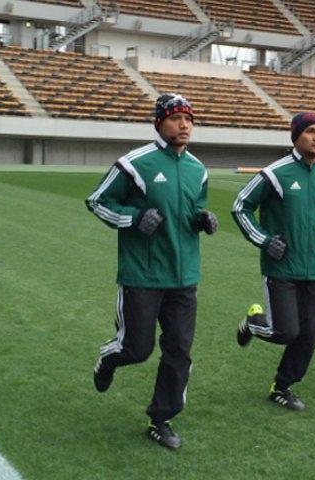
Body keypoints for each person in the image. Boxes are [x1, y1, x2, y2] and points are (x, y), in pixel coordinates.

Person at [85, 94, 218, 449]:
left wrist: (202, 219)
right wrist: (133, 218)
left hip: (184, 276)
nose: (185, 125)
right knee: (136, 348)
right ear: (159, 122)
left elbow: (193, 208)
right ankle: (109, 358)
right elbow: (98, 201)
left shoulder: (197, 169)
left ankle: (162, 418)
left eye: (189, 119)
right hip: (142, 275)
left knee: (180, 351)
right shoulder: (134, 163)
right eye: (176, 118)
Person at [231, 112, 315, 411]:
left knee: (309, 334)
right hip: (280, 268)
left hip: (312, 269)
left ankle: (282, 386)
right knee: (285, 331)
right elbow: (240, 207)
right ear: (296, 136)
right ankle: (253, 323)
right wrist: (265, 241)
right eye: (310, 132)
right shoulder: (275, 174)